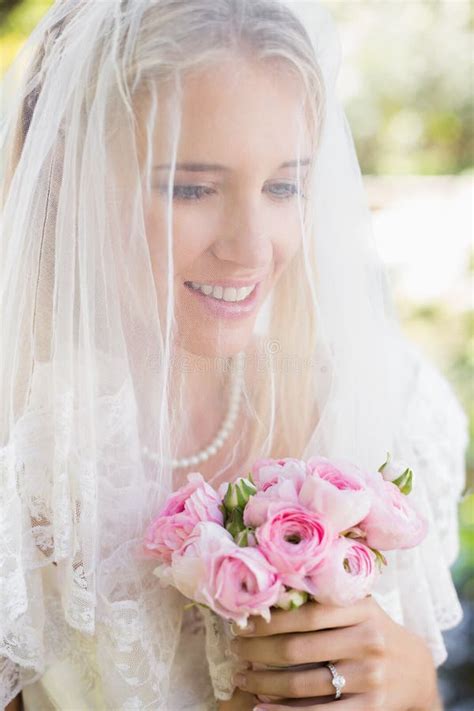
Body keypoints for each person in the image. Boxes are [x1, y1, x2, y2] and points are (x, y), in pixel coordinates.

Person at [0, 1, 468, 709]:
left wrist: (409, 683)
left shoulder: (389, 405)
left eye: (284, 185)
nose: (251, 248)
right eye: (192, 188)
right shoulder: (23, 461)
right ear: (75, 182)